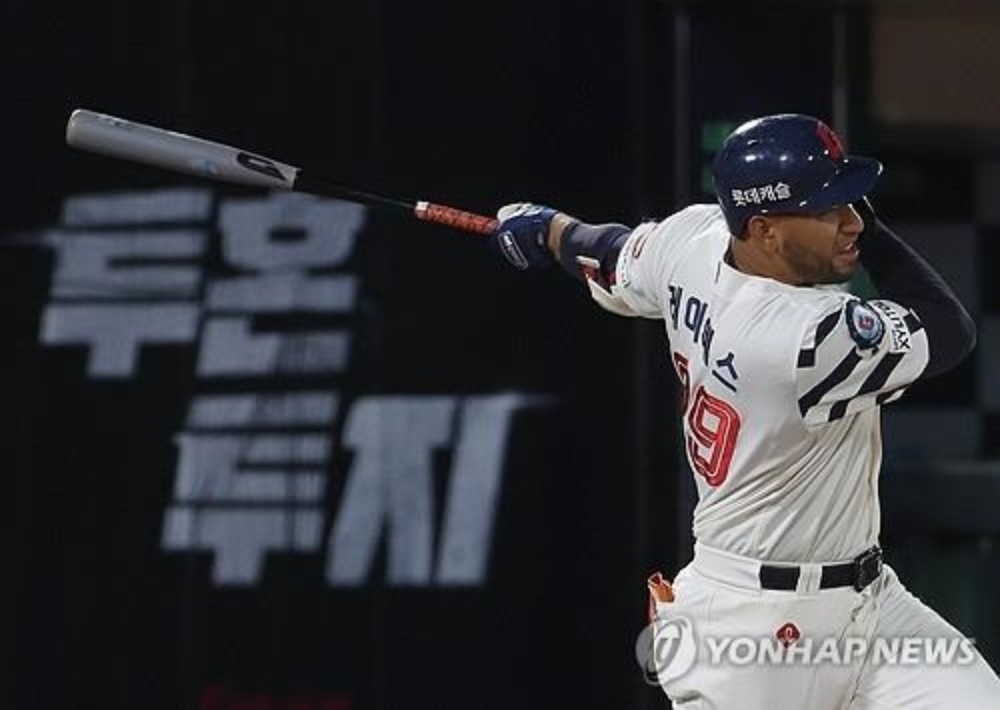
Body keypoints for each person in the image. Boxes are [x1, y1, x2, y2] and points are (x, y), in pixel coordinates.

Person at [489, 114, 1000, 708]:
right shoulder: (804, 339)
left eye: (852, 203)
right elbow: (947, 327)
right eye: (829, 208)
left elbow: (608, 250)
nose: (854, 221)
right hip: (750, 629)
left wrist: (546, 227)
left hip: (869, 605)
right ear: (765, 230)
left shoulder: (693, 240)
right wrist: (873, 235)